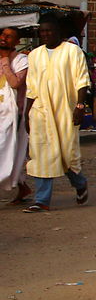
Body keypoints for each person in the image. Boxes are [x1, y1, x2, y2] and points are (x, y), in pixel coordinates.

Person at [22, 13, 90, 212]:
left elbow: (82, 80)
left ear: (58, 31)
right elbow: (31, 87)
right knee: (41, 153)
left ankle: (80, 184)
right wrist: (27, 113)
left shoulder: (72, 51)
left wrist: (79, 107)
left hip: (65, 111)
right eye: (42, 31)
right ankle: (41, 200)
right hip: (40, 112)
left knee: (65, 155)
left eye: (49, 30)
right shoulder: (35, 55)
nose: (45, 34)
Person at [0, 27, 31, 204]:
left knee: (7, 150)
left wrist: (5, 60)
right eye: (3, 35)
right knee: (8, 151)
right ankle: (22, 187)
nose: (4, 38)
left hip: (13, 115)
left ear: (17, 42)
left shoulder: (21, 60)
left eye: (9, 36)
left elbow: (14, 83)